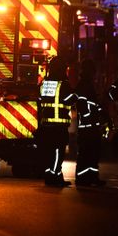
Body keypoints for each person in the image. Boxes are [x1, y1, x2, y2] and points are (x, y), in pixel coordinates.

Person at [37, 56, 75, 187]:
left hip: (45, 125)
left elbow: (40, 100)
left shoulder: (45, 83)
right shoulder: (63, 84)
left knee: (48, 152)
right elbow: (70, 99)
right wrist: (77, 95)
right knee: (58, 152)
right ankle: (53, 175)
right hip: (58, 127)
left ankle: (54, 176)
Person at [74, 59, 109, 186]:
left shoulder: (87, 84)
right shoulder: (84, 85)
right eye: (93, 71)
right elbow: (83, 105)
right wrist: (91, 118)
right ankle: (84, 179)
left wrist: (102, 116)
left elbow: (94, 105)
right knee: (87, 153)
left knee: (92, 154)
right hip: (88, 127)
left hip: (91, 127)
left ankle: (91, 177)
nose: (94, 74)